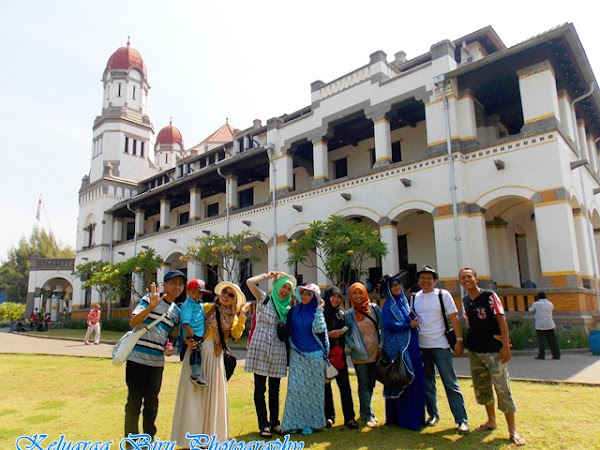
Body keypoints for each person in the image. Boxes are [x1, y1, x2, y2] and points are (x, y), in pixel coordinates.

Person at [171, 280, 248, 448]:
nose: (226, 296)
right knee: (193, 393)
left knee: (212, 394)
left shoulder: (232, 317)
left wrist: (242, 316)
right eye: (224, 293)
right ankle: (190, 436)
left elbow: (236, 334)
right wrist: (186, 338)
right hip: (197, 350)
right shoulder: (206, 307)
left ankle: (209, 436)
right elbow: (189, 320)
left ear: (235, 300)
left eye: (230, 295)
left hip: (215, 355)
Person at [458, 267, 525, 447]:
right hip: (475, 351)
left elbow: (501, 319)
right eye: (463, 277)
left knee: (502, 388)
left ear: (476, 279)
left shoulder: (489, 296)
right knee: (483, 387)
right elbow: (471, 324)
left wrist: (506, 345)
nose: (466, 280)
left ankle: (512, 430)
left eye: (469, 277)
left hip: (493, 351)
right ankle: (491, 420)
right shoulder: (465, 300)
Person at [124, 270, 182, 445]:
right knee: (134, 403)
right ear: (164, 284)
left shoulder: (176, 312)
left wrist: (169, 347)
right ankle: (131, 442)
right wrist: (150, 306)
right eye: (173, 282)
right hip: (136, 360)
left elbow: (170, 336)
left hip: (156, 363)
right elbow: (133, 322)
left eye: (180, 283)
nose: (177, 287)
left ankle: (149, 440)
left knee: (152, 405)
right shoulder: (150, 298)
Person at [412, 265, 469, 434]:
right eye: (422, 278)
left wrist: (459, 340)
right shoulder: (415, 297)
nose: (425, 281)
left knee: (450, 383)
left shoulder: (442, 295)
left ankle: (461, 420)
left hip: (441, 345)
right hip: (423, 346)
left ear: (435, 281)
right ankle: (433, 414)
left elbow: (453, 318)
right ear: (418, 281)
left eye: (429, 278)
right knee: (428, 383)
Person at [245, 271, 296, 438]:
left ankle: (275, 423)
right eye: (283, 287)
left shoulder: (289, 307)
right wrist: (267, 276)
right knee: (260, 388)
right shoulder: (264, 298)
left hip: (278, 348)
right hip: (260, 346)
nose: (285, 291)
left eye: (288, 289)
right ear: (277, 286)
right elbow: (250, 282)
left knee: (275, 389)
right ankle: (263, 424)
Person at [380, 272, 426, 431]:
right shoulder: (388, 305)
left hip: (411, 343)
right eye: (393, 285)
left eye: (398, 284)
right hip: (399, 348)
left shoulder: (405, 302)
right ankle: (405, 419)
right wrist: (408, 326)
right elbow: (388, 325)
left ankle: (418, 417)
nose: (397, 287)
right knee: (404, 377)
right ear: (388, 288)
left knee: (416, 378)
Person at [281, 283, 327, 435]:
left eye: (309, 294)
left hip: (315, 355)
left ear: (315, 296)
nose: (306, 297)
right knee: (295, 390)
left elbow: (319, 329)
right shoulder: (294, 311)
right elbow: (288, 329)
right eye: (303, 293)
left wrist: (319, 309)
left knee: (313, 392)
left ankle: (311, 423)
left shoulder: (317, 311)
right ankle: (293, 423)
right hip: (297, 353)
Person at [345, 282, 382, 428]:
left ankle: (364, 410)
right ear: (351, 295)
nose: (358, 296)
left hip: (374, 352)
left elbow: (381, 328)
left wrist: (381, 345)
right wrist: (353, 345)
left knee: (371, 383)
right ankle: (368, 414)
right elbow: (346, 334)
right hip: (359, 354)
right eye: (355, 293)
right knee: (364, 383)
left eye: (360, 293)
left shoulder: (374, 309)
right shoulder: (349, 314)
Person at [322, 286, 358, 429]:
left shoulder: (342, 313)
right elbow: (315, 332)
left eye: (338, 297)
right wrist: (330, 334)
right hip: (325, 354)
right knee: (326, 385)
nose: (336, 299)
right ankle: (328, 417)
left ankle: (349, 417)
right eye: (333, 296)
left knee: (344, 386)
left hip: (339, 354)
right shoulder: (321, 313)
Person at [180, 279, 212, 387]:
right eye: (194, 292)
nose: (197, 295)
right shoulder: (188, 304)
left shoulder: (199, 304)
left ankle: (197, 371)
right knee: (195, 352)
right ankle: (195, 373)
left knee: (198, 351)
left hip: (199, 333)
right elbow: (185, 321)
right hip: (193, 333)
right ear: (188, 292)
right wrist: (189, 332)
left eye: (200, 293)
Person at [530, 291, 560, 360]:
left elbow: (531, 311)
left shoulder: (536, 304)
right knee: (552, 341)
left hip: (540, 325)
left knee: (541, 341)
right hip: (550, 324)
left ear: (538, 297)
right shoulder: (550, 304)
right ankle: (556, 355)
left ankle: (541, 355)